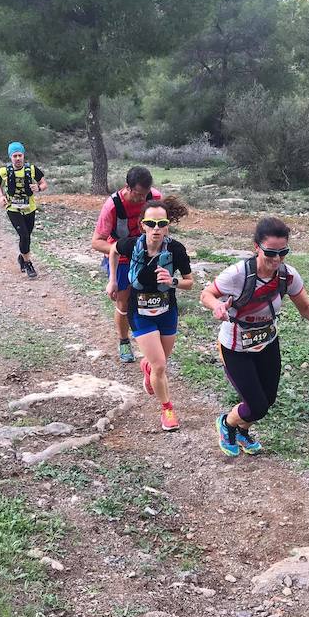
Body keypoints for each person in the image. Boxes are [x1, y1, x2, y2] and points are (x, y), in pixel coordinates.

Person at [200, 217, 309, 457]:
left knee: (267, 401)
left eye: (283, 252)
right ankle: (227, 424)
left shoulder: (287, 276)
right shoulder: (238, 273)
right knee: (256, 404)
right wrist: (217, 306)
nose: (277, 259)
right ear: (256, 247)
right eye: (271, 252)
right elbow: (207, 294)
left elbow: (305, 306)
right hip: (236, 347)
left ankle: (242, 432)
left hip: (267, 342)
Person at [106, 197, 193, 431]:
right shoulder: (131, 244)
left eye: (161, 223)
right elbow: (113, 250)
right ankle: (167, 409)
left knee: (158, 363)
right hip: (140, 312)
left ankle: (148, 368)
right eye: (151, 224)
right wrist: (113, 280)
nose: (156, 229)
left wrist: (172, 280)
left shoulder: (176, 249)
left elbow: (189, 282)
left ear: (167, 225)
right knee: (161, 366)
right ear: (142, 224)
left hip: (167, 311)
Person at [91, 166, 162, 363]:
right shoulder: (112, 206)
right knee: (123, 302)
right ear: (127, 188)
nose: (142, 200)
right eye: (138, 195)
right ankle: (123, 341)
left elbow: (162, 226)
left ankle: (150, 343)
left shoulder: (154, 198)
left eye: (145, 194)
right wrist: (124, 249)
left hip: (148, 257)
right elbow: (96, 241)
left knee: (148, 301)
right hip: (121, 258)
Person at [0, 142, 47, 279]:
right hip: (13, 208)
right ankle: (28, 263)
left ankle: (22, 257)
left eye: (20, 155)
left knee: (27, 236)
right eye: (14, 156)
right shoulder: (4, 171)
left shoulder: (32, 169)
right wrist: (1, 196)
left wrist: (39, 188)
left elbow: (44, 183)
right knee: (24, 235)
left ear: (23, 155)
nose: (18, 158)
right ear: (10, 157)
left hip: (29, 207)